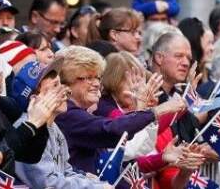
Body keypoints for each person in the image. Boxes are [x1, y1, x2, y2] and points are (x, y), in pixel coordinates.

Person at [54, 46, 185, 175]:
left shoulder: (79, 111)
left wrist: (144, 110)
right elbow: (115, 131)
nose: (95, 83)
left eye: (98, 78)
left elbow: (134, 149)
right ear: (67, 81)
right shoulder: (67, 114)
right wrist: (155, 111)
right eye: (88, 77)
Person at [15, 57, 113, 188]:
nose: (65, 90)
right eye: (55, 86)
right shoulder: (27, 132)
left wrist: (91, 182)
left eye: (61, 83)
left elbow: (65, 171)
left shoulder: (53, 127)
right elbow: (48, 183)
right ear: (35, 99)